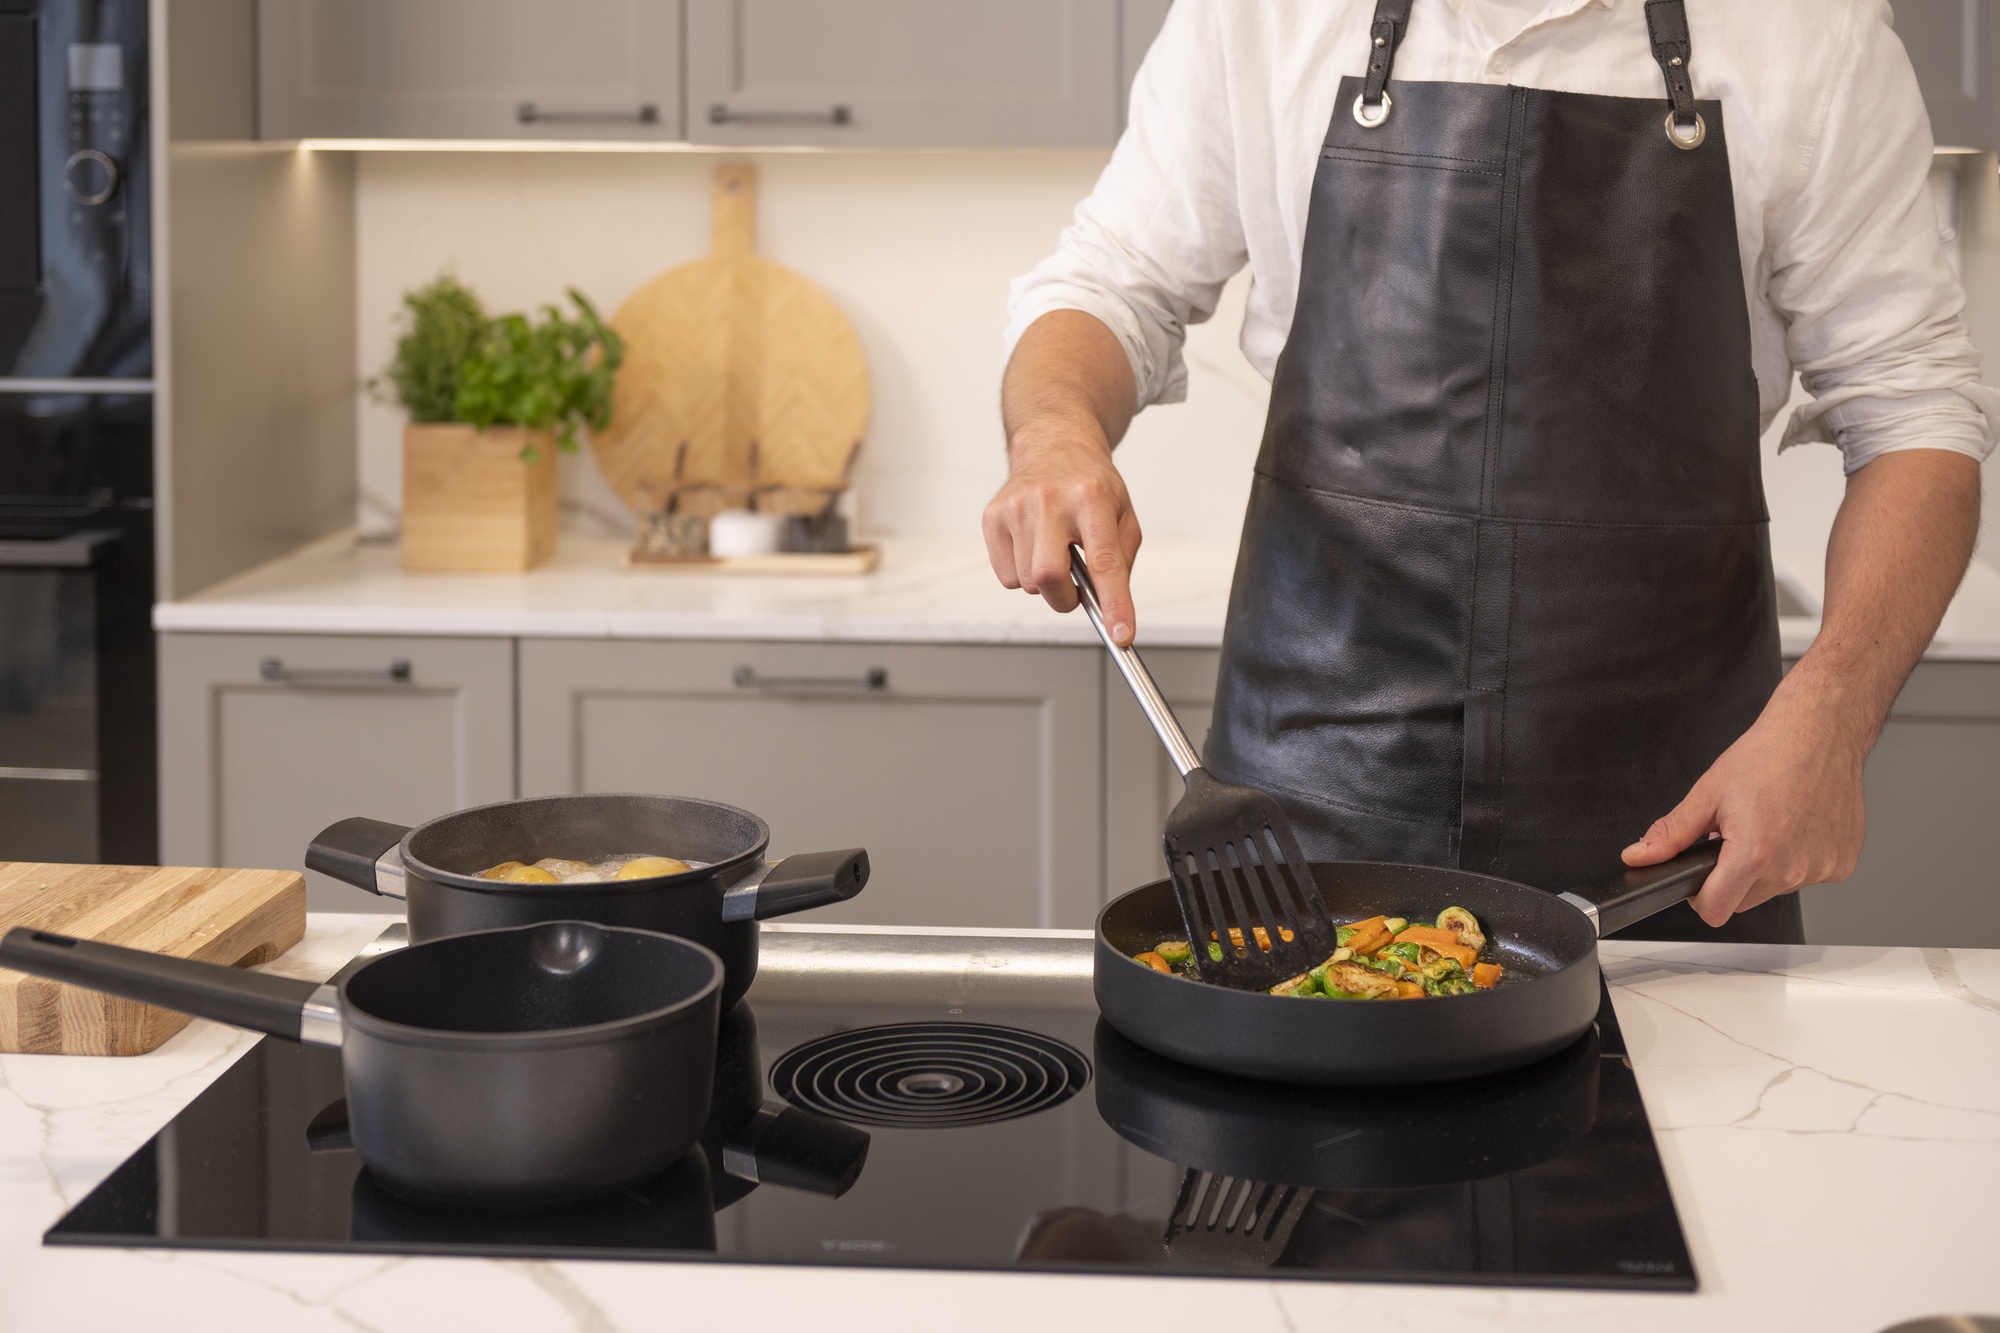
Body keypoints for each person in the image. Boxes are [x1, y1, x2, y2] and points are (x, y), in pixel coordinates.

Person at [983, 0, 1991, 940]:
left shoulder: (1811, 29)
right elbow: (1110, 283)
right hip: (1301, 821)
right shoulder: (1258, 15)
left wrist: (1831, 716)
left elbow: (1914, 415)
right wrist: (1054, 431)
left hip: (1679, 837)